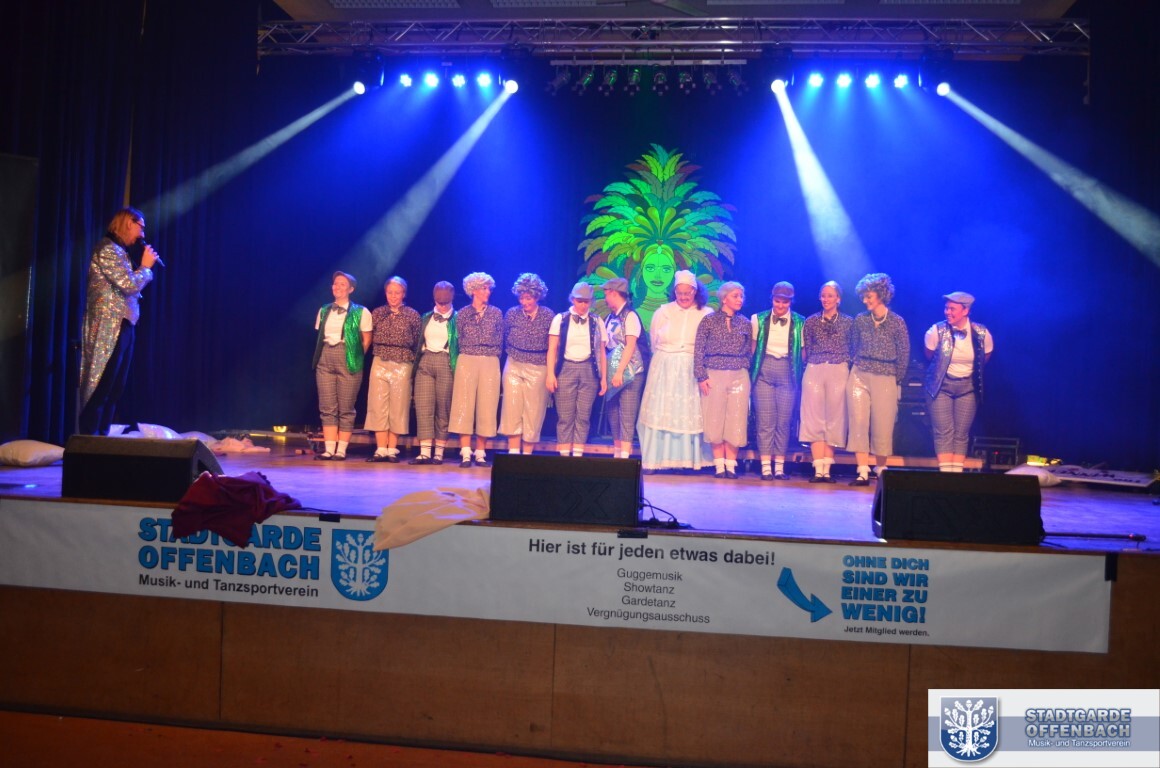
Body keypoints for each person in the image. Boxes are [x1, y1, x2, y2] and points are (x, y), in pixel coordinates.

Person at [78, 207, 159, 436]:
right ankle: (89, 440)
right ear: (128, 223)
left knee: (115, 388)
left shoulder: (120, 252)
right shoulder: (107, 249)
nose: (143, 234)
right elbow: (129, 284)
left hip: (126, 324)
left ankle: (101, 439)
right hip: (109, 326)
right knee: (102, 385)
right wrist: (145, 267)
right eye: (141, 227)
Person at [637, 270, 713, 473]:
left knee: (686, 411)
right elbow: (654, 340)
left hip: (691, 367)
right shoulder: (663, 312)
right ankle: (655, 460)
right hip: (664, 366)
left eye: (687, 293)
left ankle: (684, 461)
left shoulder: (706, 313)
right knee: (661, 409)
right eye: (679, 293)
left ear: (695, 291)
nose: (683, 297)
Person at [846, 273, 910, 486]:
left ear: (881, 295)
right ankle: (862, 471)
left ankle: (881, 469)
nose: (865, 301)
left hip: (886, 375)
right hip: (860, 374)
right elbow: (853, 346)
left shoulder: (897, 322)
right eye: (863, 297)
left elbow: (904, 354)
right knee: (858, 421)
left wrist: (895, 379)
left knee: (883, 424)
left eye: (869, 296)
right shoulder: (860, 320)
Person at [923, 291, 994, 473]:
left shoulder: (982, 333)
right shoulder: (936, 331)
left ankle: (956, 476)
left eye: (952, 309)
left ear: (965, 311)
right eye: (946, 308)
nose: (947, 312)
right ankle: (946, 475)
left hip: (968, 387)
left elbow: (985, 357)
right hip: (940, 386)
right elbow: (930, 356)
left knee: (961, 433)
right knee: (943, 431)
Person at [312, 271, 372, 460]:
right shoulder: (324, 310)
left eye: (342, 284)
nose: (337, 287)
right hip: (326, 356)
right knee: (327, 406)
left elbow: (366, 339)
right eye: (335, 283)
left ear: (351, 289)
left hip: (348, 356)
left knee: (346, 406)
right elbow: (320, 336)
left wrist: (355, 357)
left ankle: (341, 450)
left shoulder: (361, 311)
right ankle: (329, 449)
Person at [695, 281, 752, 479]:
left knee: (736, 418)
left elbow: (749, 351)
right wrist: (701, 376)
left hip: (738, 374)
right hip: (714, 373)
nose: (740, 300)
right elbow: (699, 350)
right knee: (714, 417)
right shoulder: (709, 320)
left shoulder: (745, 322)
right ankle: (719, 465)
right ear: (724, 298)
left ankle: (731, 465)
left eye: (741, 296)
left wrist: (743, 367)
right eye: (736, 296)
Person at [799, 281, 854, 483]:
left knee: (835, 417)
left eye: (830, 295)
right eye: (823, 295)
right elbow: (806, 348)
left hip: (838, 368)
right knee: (813, 417)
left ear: (838, 298)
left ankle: (827, 470)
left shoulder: (848, 322)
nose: (826, 299)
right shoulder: (811, 321)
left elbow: (853, 347)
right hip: (815, 367)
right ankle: (818, 469)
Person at [750, 281, 805, 481]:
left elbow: (803, 352)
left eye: (785, 302)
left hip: (787, 371)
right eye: (777, 301)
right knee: (766, 421)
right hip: (764, 370)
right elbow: (753, 348)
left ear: (791, 302)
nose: (780, 305)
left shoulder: (800, 322)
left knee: (783, 420)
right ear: (772, 299)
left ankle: (779, 467)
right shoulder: (758, 319)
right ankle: (766, 467)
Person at [546, 282, 608, 457]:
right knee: (565, 416)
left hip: (589, 370)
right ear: (572, 299)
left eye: (586, 302)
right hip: (566, 368)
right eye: (579, 301)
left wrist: (603, 378)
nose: (583, 305)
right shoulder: (560, 319)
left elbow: (602, 352)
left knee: (583, 415)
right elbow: (552, 349)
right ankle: (565, 455)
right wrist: (550, 374)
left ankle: (578, 455)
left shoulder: (597, 321)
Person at [449, 272, 504, 468]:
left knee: (487, 405)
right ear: (473, 290)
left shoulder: (496, 313)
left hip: (489, 360)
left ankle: (480, 452)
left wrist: (491, 356)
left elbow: (500, 339)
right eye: (484, 288)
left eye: (489, 288)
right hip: (467, 359)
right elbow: (458, 338)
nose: (488, 292)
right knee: (463, 403)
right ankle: (465, 452)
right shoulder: (463, 313)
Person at [365, 276, 421, 463]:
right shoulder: (378, 313)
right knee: (378, 404)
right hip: (380, 361)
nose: (393, 296)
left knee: (398, 405)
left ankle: (392, 449)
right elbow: (369, 335)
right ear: (385, 293)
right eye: (390, 292)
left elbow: (417, 341)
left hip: (403, 362)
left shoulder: (412, 315)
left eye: (397, 292)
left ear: (404, 294)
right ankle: (381, 448)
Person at [498, 273, 553, 455]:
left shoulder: (548, 315)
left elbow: (554, 346)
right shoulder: (512, 314)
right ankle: (513, 454)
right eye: (521, 298)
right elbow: (505, 337)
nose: (524, 302)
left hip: (538, 366)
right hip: (514, 363)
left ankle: (527, 456)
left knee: (533, 411)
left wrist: (551, 372)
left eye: (528, 298)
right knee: (511, 408)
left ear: (537, 296)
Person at [410, 281, 458, 465]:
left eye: (446, 302)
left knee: (443, 407)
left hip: (446, 361)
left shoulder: (458, 318)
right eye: (439, 302)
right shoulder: (425, 317)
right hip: (426, 361)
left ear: (452, 298)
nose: (442, 306)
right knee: (423, 406)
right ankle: (424, 452)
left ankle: (439, 452)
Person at [602, 277, 646, 459]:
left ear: (613, 293)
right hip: (612, 371)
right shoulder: (609, 318)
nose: (605, 298)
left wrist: (620, 371)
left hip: (630, 372)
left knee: (626, 413)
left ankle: (625, 457)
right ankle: (617, 452)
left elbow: (630, 345)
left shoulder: (630, 316)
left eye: (606, 294)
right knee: (613, 413)